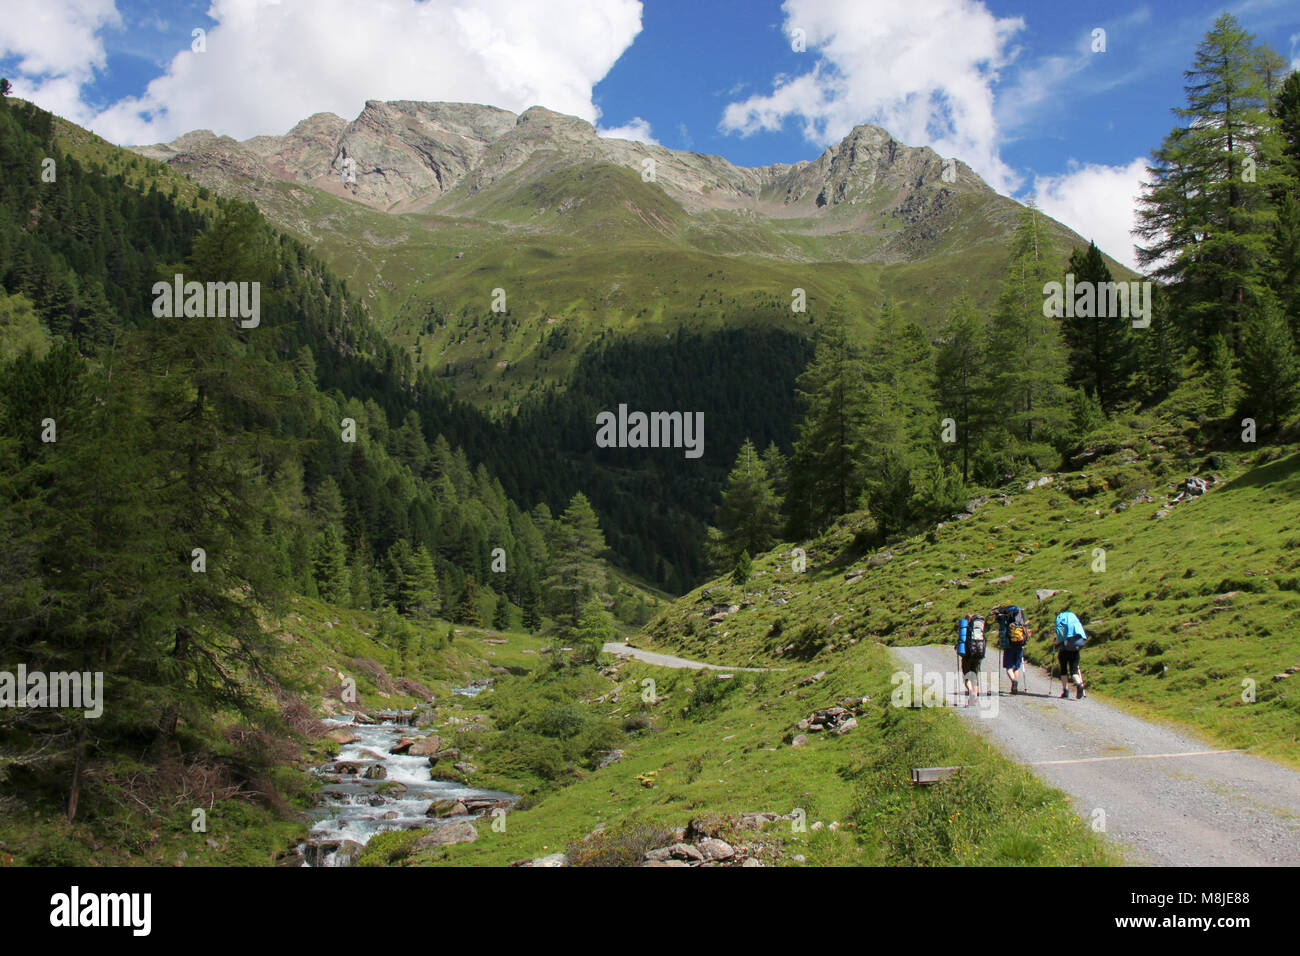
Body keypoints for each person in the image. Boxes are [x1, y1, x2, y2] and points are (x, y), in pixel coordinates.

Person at [1054, 610, 1088, 699]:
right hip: (1076, 650)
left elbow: (1060, 638)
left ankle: (1065, 691)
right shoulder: (1076, 623)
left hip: (1064, 650)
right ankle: (1079, 684)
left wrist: (1055, 642)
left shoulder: (1061, 623)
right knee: (1074, 670)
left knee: (1064, 670)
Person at [994, 605, 1027, 694]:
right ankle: (1015, 687)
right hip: (1019, 644)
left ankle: (1013, 681)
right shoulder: (1020, 617)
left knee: (1009, 667)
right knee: (1017, 667)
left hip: (1008, 645)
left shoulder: (1005, 617)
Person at [955, 613, 987, 706]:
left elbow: (962, 641)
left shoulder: (965, 629)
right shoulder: (980, 629)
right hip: (978, 653)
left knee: (967, 675)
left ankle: (971, 692)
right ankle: (975, 697)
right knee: (975, 675)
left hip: (968, 655)